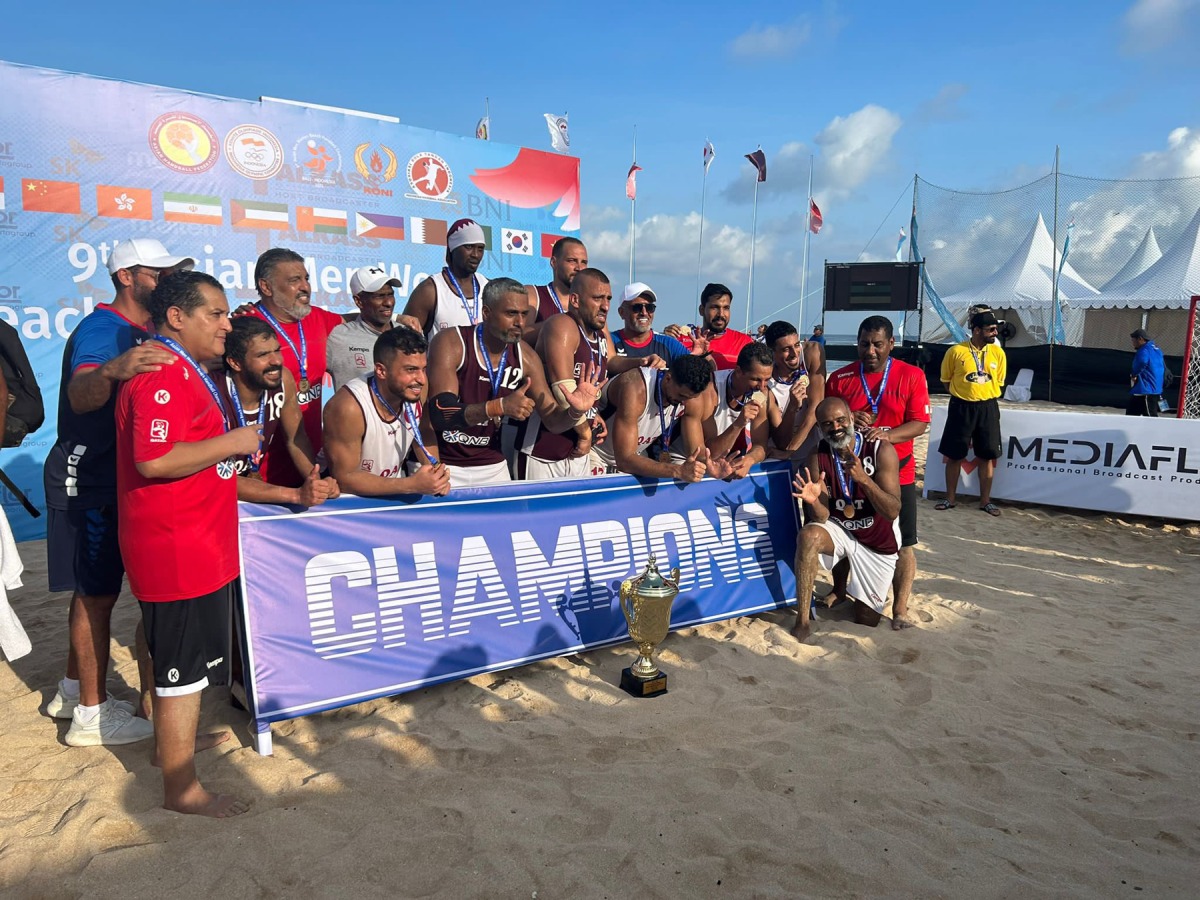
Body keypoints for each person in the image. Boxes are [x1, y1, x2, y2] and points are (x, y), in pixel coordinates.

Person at [116, 270, 260, 817]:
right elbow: (152, 459)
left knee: (186, 662)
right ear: (177, 318)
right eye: (216, 315)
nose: (228, 324)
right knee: (180, 669)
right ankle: (181, 789)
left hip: (198, 538)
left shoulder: (186, 369)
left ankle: (169, 748)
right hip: (176, 545)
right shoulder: (161, 374)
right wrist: (234, 440)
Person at [43, 237, 194, 746]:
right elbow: (81, 395)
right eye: (159, 273)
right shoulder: (102, 329)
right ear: (127, 276)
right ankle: (91, 715)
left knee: (99, 592)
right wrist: (111, 370)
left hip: (118, 476)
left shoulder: (144, 329)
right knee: (97, 594)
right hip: (90, 475)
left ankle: (70, 690)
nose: (168, 282)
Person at [427, 277, 600, 488]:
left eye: (524, 314)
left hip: (490, 462)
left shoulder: (525, 356)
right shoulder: (452, 342)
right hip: (443, 462)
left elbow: (553, 421)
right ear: (487, 313)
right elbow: (440, 413)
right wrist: (498, 407)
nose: (520, 322)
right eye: (511, 314)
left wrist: (575, 412)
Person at [825, 316, 929, 629]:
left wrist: (888, 436)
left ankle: (899, 609)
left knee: (904, 543)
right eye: (864, 344)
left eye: (877, 344)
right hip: (850, 472)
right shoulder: (841, 378)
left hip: (898, 473)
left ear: (891, 344)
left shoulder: (911, 375)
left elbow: (920, 424)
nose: (870, 350)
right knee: (844, 531)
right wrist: (849, 416)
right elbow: (831, 417)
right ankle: (839, 590)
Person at [790, 397, 902, 643]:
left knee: (866, 619)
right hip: (842, 529)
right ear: (820, 428)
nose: (836, 427)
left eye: (841, 420)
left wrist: (863, 479)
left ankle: (864, 595)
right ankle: (803, 620)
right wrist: (814, 501)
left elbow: (893, 510)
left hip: (876, 538)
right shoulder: (817, 454)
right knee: (808, 535)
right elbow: (823, 516)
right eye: (828, 423)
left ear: (852, 418)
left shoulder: (880, 449)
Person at [245, 248, 344, 485]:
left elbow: (356, 323)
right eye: (294, 280)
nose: (305, 287)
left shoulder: (318, 318)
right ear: (266, 287)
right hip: (260, 476)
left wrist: (397, 320)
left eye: (306, 279)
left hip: (311, 467)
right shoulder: (243, 328)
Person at [218, 317, 338, 506]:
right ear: (235, 363)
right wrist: (296, 495)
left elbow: (296, 438)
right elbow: (218, 477)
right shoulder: (212, 394)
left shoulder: (284, 379)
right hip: (213, 499)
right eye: (263, 354)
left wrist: (316, 481)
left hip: (255, 493)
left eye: (277, 350)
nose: (276, 360)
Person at [323, 327, 451, 497]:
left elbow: (422, 429)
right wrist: (411, 484)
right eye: (411, 370)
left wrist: (436, 473)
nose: (421, 379)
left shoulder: (416, 388)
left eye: (424, 368)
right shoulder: (348, 407)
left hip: (393, 489)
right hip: (352, 502)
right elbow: (345, 478)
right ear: (381, 371)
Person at [516, 268, 613, 480]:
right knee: (536, 513)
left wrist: (592, 414)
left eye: (608, 299)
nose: (605, 306)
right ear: (575, 300)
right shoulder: (562, 324)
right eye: (597, 298)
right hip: (543, 448)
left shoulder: (599, 337)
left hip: (577, 449)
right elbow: (564, 391)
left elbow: (585, 392)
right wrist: (585, 434)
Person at [590, 354, 721, 481]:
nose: (684, 403)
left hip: (636, 456)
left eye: (691, 397)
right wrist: (678, 471)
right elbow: (624, 460)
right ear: (668, 378)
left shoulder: (689, 398)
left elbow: (696, 450)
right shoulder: (636, 388)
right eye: (682, 396)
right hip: (596, 453)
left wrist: (711, 465)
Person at [937, 310, 1006, 516]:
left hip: (988, 407)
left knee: (987, 455)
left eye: (996, 329)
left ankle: (985, 501)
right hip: (961, 407)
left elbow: (999, 382)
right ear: (976, 330)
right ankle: (950, 498)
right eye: (990, 329)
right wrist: (964, 395)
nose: (995, 333)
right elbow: (946, 381)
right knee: (954, 454)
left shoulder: (998, 353)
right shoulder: (956, 351)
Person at [678, 342, 777, 479]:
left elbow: (760, 445)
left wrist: (749, 460)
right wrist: (739, 423)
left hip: (721, 465)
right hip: (685, 464)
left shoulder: (762, 393)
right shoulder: (706, 391)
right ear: (738, 371)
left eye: (767, 380)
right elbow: (705, 455)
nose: (761, 387)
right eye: (756, 379)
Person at [401, 218, 490, 338]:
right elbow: (405, 342)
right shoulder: (430, 291)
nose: (475, 255)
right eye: (469, 247)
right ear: (453, 249)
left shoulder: (489, 288)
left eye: (480, 248)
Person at [326, 265, 401, 390]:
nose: (388, 302)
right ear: (358, 301)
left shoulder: (408, 333)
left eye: (390, 294)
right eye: (380, 296)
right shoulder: (337, 338)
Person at [764, 320, 825, 463]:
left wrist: (791, 451)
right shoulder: (766, 380)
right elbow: (781, 442)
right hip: (781, 451)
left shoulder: (812, 352)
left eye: (797, 345)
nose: (794, 354)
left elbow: (816, 406)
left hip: (810, 449)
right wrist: (792, 407)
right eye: (786, 349)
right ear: (771, 351)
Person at [664, 282, 753, 370]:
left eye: (726, 308)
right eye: (715, 307)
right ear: (701, 310)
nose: (721, 314)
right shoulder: (680, 338)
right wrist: (665, 338)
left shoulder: (744, 343)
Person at [523, 237, 589, 342]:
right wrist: (562, 322)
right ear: (554, 262)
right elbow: (517, 338)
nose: (579, 268)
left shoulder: (591, 303)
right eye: (572, 261)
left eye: (584, 262)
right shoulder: (533, 295)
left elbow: (610, 354)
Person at [610, 283, 689, 366]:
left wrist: (701, 355)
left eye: (649, 308)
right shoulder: (609, 342)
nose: (644, 313)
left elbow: (696, 370)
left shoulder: (669, 344)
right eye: (637, 308)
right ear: (621, 313)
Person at [1127, 328, 1165, 416]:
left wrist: (1134, 374)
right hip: (1154, 388)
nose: (1132, 343)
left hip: (1147, 389)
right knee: (1131, 413)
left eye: (1133, 340)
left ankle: (1154, 429)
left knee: (1150, 416)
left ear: (1140, 339)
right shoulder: (1157, 350)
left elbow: (1142, 361)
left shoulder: (1144, 350)